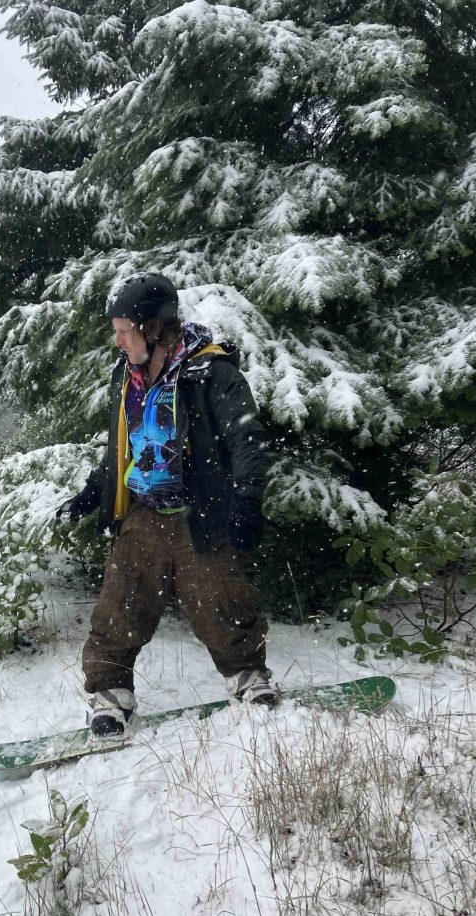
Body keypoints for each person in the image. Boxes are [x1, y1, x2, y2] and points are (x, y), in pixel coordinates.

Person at [58, 272, 276, 738]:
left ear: (153, 327)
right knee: (119, 606)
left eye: (124, 329)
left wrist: (247, 502)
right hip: (142, 512)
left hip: (201, 511)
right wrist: (96, 489)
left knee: (222, 601)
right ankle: (110, 696)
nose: (117, 340)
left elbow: (246, 439)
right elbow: (124, 444)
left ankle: (248, 678)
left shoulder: (211, 372)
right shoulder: (129, 375)